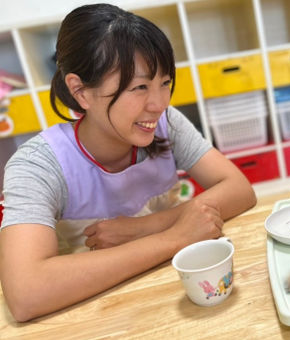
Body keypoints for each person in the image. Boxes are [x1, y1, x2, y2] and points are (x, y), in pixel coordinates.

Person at [0, 3, 256, 322]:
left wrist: (142, 228)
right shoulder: (37, 165)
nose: (160, 104)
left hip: (179, 292)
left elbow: (239, 189)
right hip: (108, 313)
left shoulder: (167, 124)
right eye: (139, 88)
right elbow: (26, 292)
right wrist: (174, 237)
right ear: (80, 92)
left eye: (165, 83)